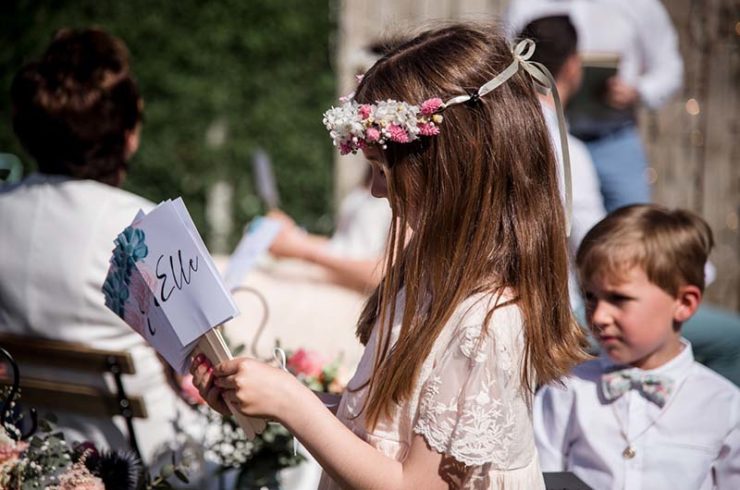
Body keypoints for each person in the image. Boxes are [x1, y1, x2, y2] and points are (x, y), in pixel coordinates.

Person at [192, 23, 589, 489]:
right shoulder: (424, 278)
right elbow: (380, 427)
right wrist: (269, 396)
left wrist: (291, 405)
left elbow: (413, 484)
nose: (377, 190)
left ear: (456, 165)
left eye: (384, 169)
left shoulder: (488, 322)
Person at [0, 28, 200, 467]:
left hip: (24, 449)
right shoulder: (146, 226)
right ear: (128, 134)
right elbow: (203, 365)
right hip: (147, 457)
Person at [534, 204, 740, 489]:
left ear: (684, 303)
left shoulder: (725, 407)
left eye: (619, 299)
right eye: (591, 297)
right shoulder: (565, 391)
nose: (598, 316)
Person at [507, 0, 684, 212]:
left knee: (632, 227)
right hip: (545, 134)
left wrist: (637, 90)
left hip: (614, 138)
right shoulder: (525, 5)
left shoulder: (640, 5)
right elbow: (504, 63)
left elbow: (670, 69)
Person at [518, 15, 606, 317]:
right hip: (556, 311)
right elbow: (592, 246)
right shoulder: (569, 152)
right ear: (573, 66)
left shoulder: (495, 133)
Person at [267, 166, 392, 293]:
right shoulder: (374, 173)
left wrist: (302, 250)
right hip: (330, 276)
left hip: (352, 292)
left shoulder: (403, 193)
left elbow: (386, 276)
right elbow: (345, 243)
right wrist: (294, 235)